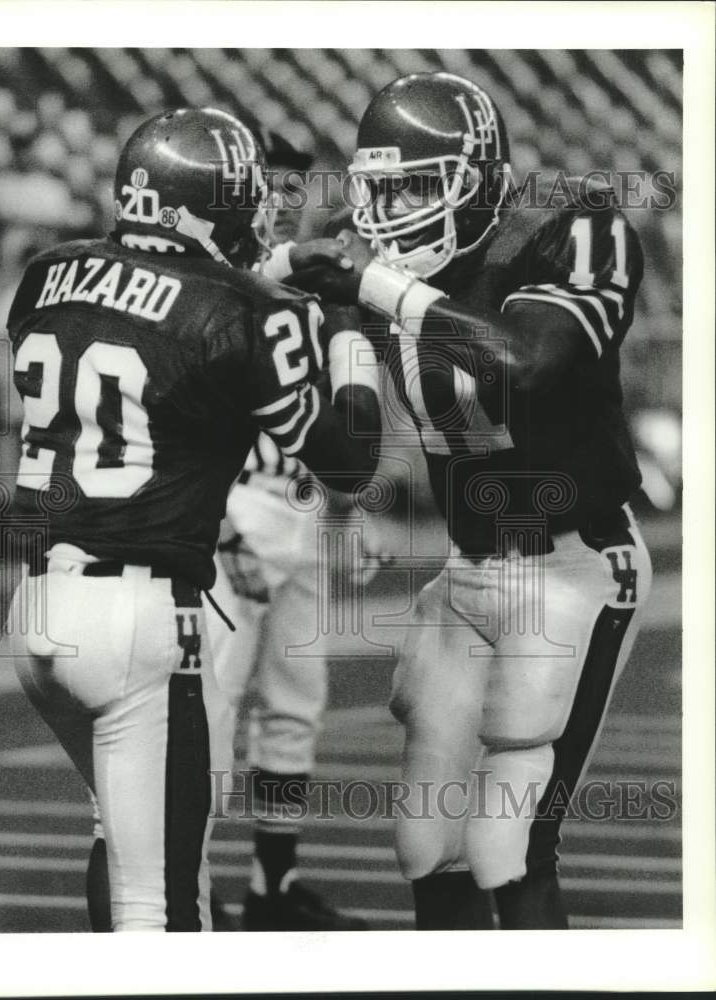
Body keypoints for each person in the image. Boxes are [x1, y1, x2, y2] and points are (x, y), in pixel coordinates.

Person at [287, 71, 652, 930]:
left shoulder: (572, 230)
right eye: (381, 185)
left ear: (477, 177)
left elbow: (526, 362)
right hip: (467, 567)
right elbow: (353, 441)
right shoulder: (373, 266)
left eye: (415, 183)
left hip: (573, 564)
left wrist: (376, 289)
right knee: (427, 843)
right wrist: (338, 492)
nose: (388, 208)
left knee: (508, 845)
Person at [5, 106, 380, 932]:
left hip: (36, 612)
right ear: (209, 204)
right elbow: (350, 459)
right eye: (251, 196)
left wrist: (281, 265)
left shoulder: (47, 273)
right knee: (169, 901)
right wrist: (349, 325)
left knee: (118, 835)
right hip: (140, 615)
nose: (261, 212)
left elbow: (163, 299)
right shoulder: (250, 312)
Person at [202, 121, 370, 931]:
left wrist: (346, 510)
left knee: (296, 708)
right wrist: (214, 524)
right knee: (209, 713)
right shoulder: (209, 270)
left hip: (299, 508)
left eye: (294, 184)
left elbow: (333, 419)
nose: (282, 197)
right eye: (269, 181)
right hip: (230, 510)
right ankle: (180, 895)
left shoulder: (307, 282)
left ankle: (273, 885)